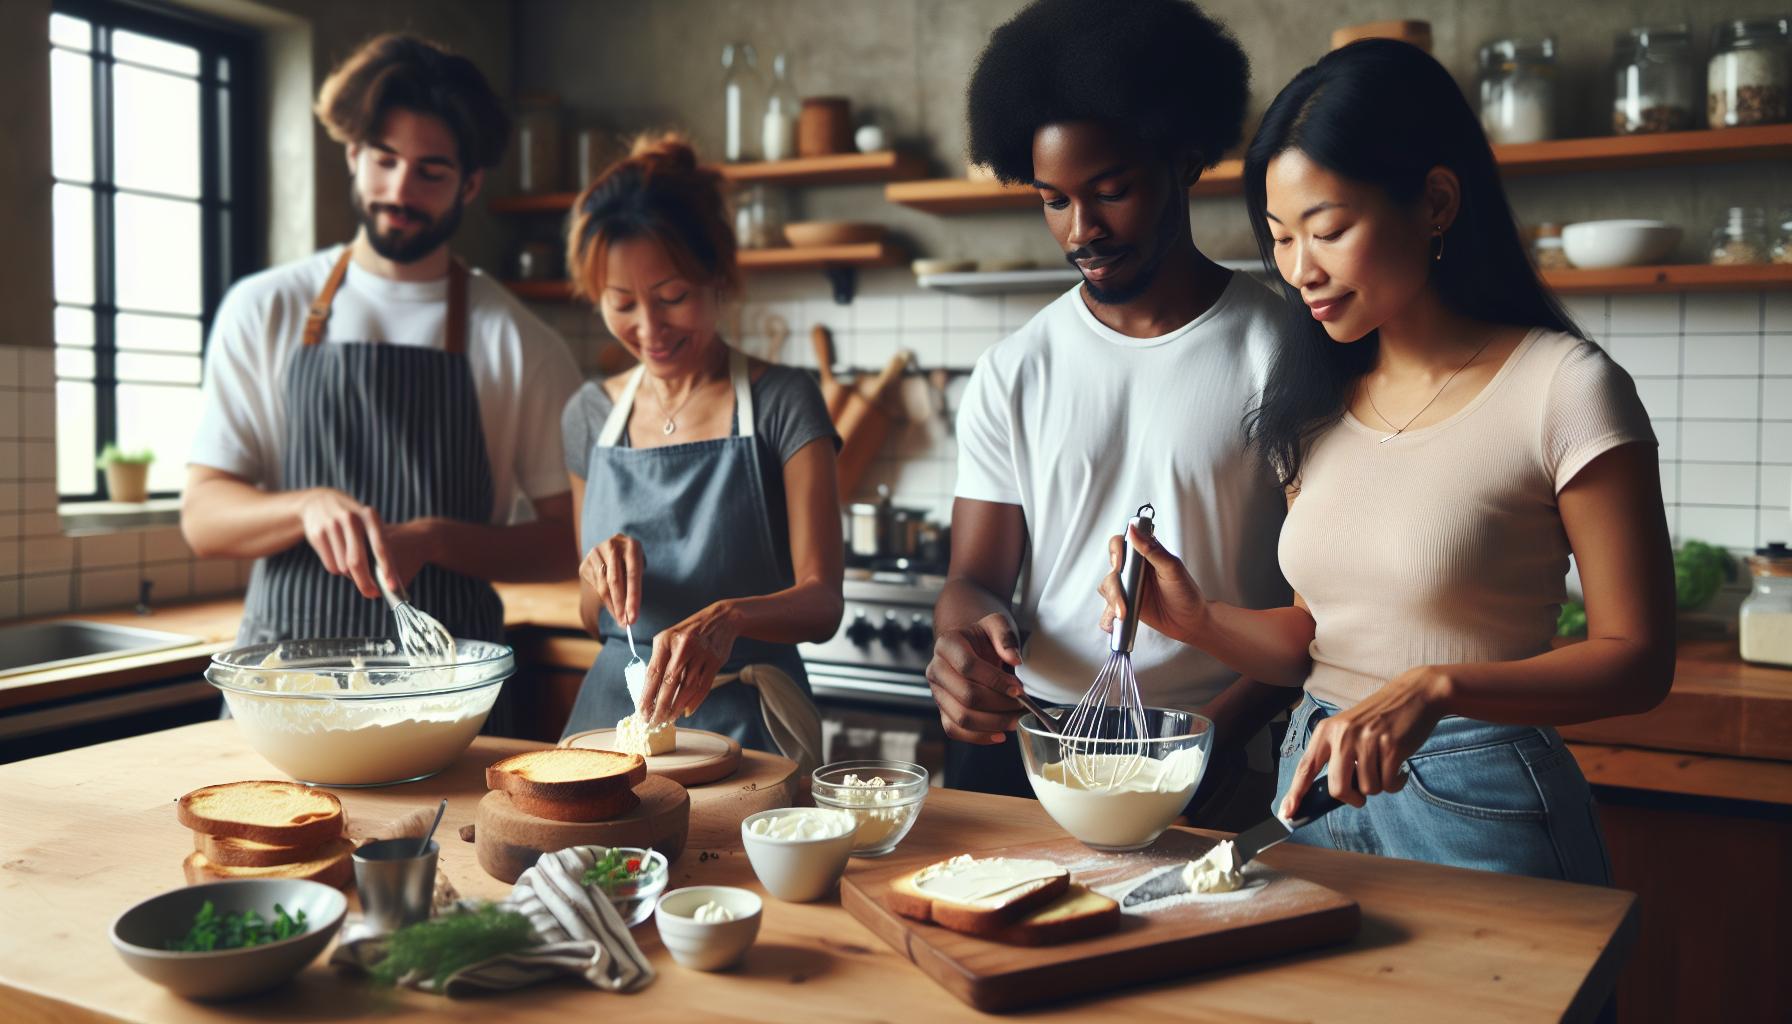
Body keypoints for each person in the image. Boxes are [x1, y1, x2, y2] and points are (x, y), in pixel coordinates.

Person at [1098, 40, 1675, 883]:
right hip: (1314, 789)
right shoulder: (1315, 398)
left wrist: (1438, 688)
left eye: (1328, 230)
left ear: (1436, 201)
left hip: (1478, 804)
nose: (1300, 270)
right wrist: (1196, 620)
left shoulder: (1565, 388)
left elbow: (1639, 659)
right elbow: (1319, 641)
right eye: (1280, 238)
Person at [931, 0, 1297, 827]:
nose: (1082, 230)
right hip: (1029, 744)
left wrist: (1210, 749)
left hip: (1210, 751)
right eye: (1053, 200)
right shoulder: (1014, 369)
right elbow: (974, 580)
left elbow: (1324, 605)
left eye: (1111, 192)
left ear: (1186, 161)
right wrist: (961, 647)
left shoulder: (1282, 350)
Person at [183, 34, 580, 655]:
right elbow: (203, 516)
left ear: (470, 184)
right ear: (351, 154)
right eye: (383, 159)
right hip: (289, 687)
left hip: (450, 688)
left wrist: (439, 539)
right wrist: (304, 507)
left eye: (431, 171)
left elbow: (569, 540)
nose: (399, 190)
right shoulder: (264, 309)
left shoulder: (519, 341)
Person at [559, 135, 843, 763]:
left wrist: (730, 617)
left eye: (672, 297)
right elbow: (590, 616)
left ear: (718, 277)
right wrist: (594, 571)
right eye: (622, 304)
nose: (650, 330)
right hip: (611, 720)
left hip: (746, 720)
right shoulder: (589, 414)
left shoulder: (785, 401)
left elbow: (823, 602)